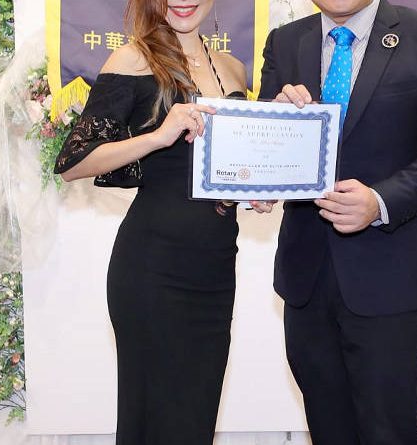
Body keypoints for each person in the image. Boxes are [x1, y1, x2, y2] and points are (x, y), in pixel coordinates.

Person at [258, 0, 417, 443]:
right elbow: (269, 146)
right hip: (306, 278)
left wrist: (380, 202)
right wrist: (270, 151)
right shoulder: (285, 42)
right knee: (328, 427)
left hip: (391, 276)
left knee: (388, 430)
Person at [54, 1, 271, 443]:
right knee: (154, 418)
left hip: (214, 271)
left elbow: (223, 166)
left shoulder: (233, 68)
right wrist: (157, 136)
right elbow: (74, 162)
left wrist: (253, 191)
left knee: (194, 419)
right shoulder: (133, 58)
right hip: (153, 270)